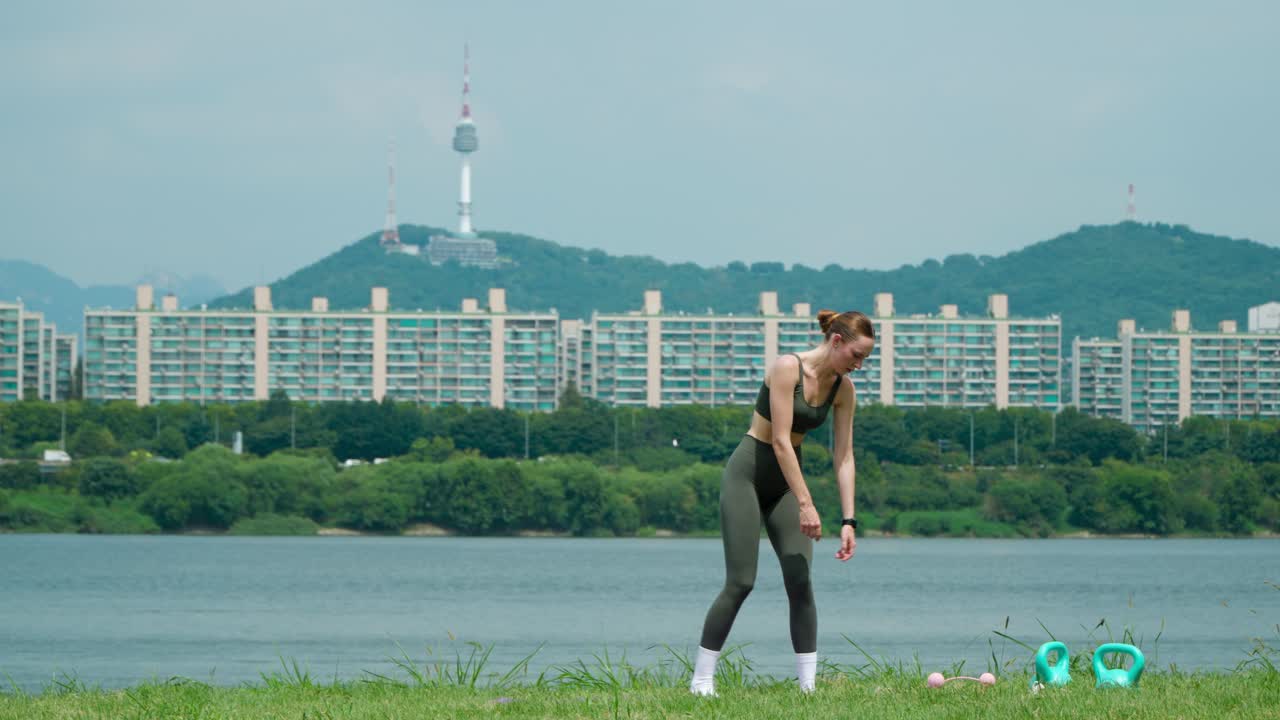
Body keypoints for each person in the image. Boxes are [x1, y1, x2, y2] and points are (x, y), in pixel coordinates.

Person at [690, 309, 875, 696]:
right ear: (836, 341)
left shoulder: (843, 390)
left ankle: (808, 687)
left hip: (787, 484)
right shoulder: (786, 368)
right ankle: (702, 680)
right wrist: (807, 504)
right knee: (741, 581)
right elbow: (778, 440)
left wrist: (849, 520)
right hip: (749, 474)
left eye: (866, 359)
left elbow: (844, 456)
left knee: (800, 580)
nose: (860, 365)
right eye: (857, 355)